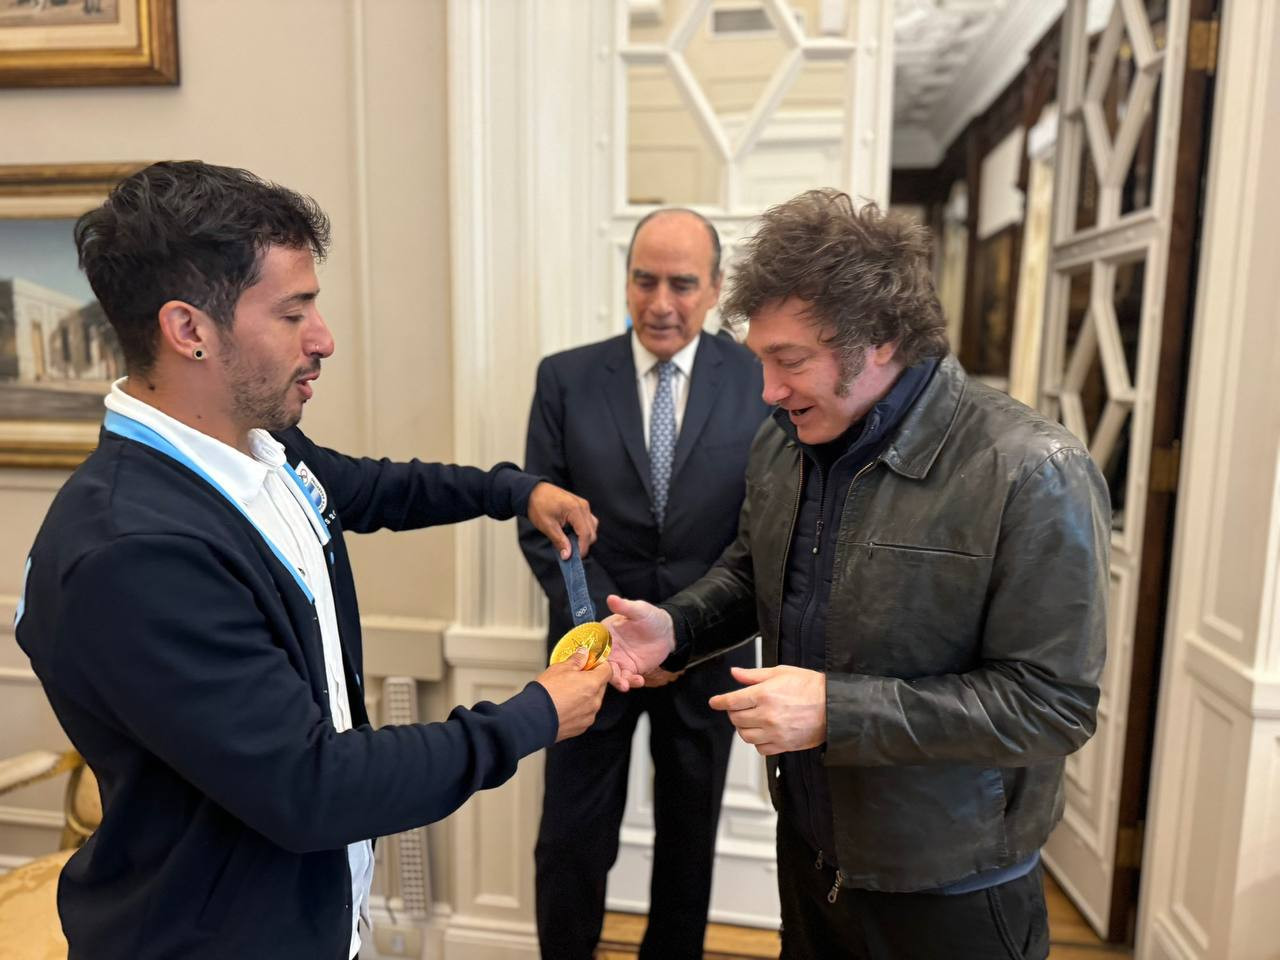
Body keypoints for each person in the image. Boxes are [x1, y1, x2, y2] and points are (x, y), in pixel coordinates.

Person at [13, 160, 610, 960]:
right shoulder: (136, 553)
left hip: (317, 919)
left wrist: (514, 491)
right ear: (189, 330)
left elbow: (369, 490)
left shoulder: (260, 447)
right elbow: (313, 787)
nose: (323, 339)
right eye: (295, 313)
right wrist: (536, 713)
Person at [603, 190, 1109, 960]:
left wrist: (837, 712)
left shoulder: (1032, 470)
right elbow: (752, 569)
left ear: (877, 340)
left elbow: (1051, 707)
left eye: (790, 361)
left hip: (949, 893)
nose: (767, 390)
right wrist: (676, 627)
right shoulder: (784, 440)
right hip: (808, 857)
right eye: (761, 359)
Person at [517, 208, 769, 959]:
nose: (661, 302)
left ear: (717, 288)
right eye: (645, 280)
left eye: (684, 284)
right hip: (590, 652)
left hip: (706, 650)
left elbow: (761, 525)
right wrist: (606, 629)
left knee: (689, 840)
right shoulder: (564, 378)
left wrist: (683, 629)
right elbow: (544, 522)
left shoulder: (759, 378)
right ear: (626, 280)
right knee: (570, 838)